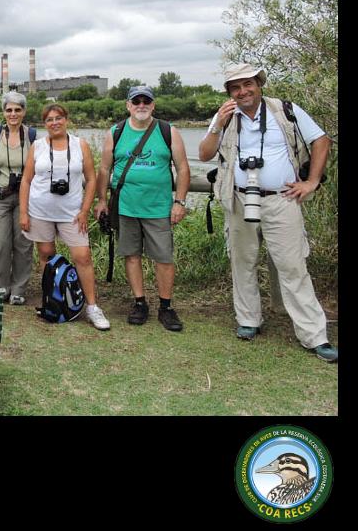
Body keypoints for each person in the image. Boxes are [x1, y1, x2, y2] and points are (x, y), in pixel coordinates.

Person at [198, 63, 337, 362]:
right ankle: (248, 320)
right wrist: (217, 124)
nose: (242, 92)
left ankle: (315, 335)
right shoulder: (225, 116)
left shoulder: (285, 110)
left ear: (259, 84)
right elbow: (204, 154)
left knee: (293, 266)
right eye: (235, 87)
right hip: (238, 199)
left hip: (282, 200)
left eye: (248, 84)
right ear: (229, 92)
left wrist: (311, 181)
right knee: (242, 262)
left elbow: (321, 140)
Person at [94, 85, 190, 331]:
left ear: (153, 105)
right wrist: (102, 200)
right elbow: (104, 169)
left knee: (164, 258)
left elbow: (182, 168)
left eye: (146, 101)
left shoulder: (168, 131)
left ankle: (166, 306)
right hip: (126, 207)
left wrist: (179, 202)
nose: (141, 105)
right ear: (128, 105)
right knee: (131, 255)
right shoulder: (116, 132)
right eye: (136, 101)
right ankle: (139, 302)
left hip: (158, 207)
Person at [18, 104, 108, 330]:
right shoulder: (38, 146)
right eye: (49, 119)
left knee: (83, 256)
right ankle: (52, 300)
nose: (54, 123)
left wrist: (85, 210)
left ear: (66, 119)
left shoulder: (80, 145)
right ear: (44, 124)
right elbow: (26, 180)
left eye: (58, 118)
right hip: (40, 212)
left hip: (72, 214)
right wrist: (23, 212)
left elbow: (91, 179)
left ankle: (92, 306)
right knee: (46, 256)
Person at [0, 92, 36, 305]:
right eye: (9, 110)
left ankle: (18, 290)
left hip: (24, 198)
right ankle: (0, 288)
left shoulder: (31, 135)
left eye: (17, 110)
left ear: (24, 112)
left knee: (23, 244)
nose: (13, 114)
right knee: (0, 244)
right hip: (0, 196)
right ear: (3, 112)